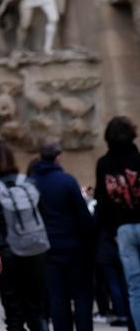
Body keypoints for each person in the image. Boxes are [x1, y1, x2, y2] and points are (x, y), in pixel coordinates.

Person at [30, 141, 96, 331]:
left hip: (47, 249)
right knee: (82, 298)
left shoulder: (33, 182)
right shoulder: (67, 180)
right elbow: (83, 217)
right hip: (74, 248)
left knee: (58, 299)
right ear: (58, 157)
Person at [0, 140, 48, 331]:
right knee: (37, 312)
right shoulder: (29, 183)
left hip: (7, 254)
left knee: (14, 315)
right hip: (34, 250)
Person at [94, 116, 140, 331]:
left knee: (134, 286)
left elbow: (102, 202)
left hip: (122, 230)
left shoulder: (104, 164)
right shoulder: (138, 159)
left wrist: (110, 229)